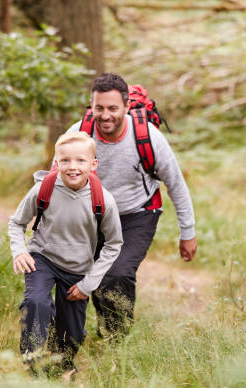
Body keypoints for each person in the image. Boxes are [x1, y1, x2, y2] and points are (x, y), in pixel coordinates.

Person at [64, 72, 197, 337]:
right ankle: (103, 331)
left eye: (113, 108)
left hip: (138, 213)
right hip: (93, 215)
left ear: (126, 107)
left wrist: (188, 233)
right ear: (91, 106)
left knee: (118, 273)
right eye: (99, 108)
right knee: (91, 273)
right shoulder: (79, 134)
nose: (105, 115)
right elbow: (54, 179)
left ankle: (116, 342)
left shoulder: (148, 137)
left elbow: (176, 184)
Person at [9, 132, 123, 373]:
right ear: (56, 162)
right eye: (65, 161)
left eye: (81, 161)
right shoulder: (43, 189)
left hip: (78, 269)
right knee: (36, 302)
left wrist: (88, 284)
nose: (73, 167)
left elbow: (114, 244)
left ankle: (63, 363)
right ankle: (33, 363)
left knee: (70, 335)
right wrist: (19, 251)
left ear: (93, 164)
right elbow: (16, 222)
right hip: (43, 258)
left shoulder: (104, 200)